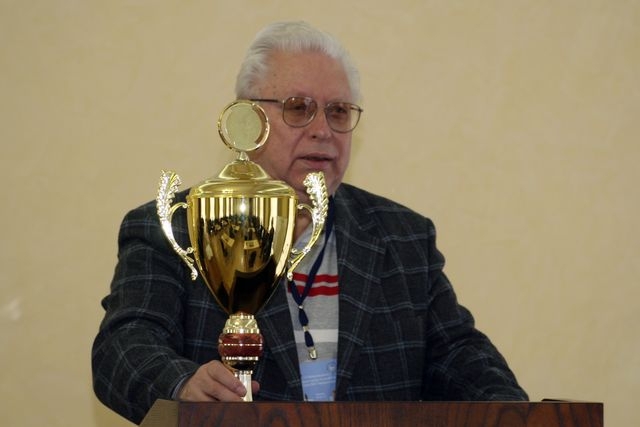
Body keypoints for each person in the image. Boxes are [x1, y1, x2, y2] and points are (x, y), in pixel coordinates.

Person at [92, 21, 528, 424]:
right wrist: (181, 384)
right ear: (249, 121)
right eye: (299, 108)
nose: (323, 130)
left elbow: (458, 355)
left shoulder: (403, 236)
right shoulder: (175, 226)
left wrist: (517, 413)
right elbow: (125, 345)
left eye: (338, 112)